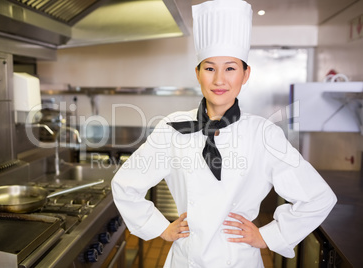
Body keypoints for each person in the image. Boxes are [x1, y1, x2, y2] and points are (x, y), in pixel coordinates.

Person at [111, 0, 337, 267]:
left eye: (230, 68)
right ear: (197, 74)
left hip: (239, 259)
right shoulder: (173, 128)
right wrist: (159, 227)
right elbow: (125, 184)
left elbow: (318, 197)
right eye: (209, 68)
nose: (219, 80)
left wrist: (269, 235)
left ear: (245, 74)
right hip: (186, 259)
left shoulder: (262, 133)